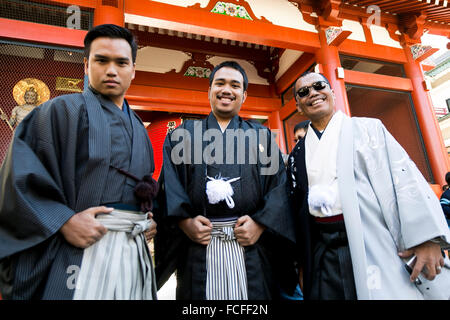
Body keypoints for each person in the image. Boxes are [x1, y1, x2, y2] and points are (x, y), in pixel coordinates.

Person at [0, 24, 158, 300]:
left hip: (129, 247)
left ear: (133, 69)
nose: (111, 70)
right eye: (101, 60)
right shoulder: (56, 113)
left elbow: (142, 186)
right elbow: (18, 181)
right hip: (75, 248)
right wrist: (63, 221)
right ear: (86, 65)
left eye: (121, 62)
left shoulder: (140, 130)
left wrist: (146, 217)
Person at [287, 71, 450, 300]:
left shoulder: (369, 129)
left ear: (332, 92)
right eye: (304, 92)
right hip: (322, 247)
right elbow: (296, 210)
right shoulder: (297, 154)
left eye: (319, 86)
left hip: (373, 235)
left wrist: (426, 238)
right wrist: (303, 263)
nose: (313, 93)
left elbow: (404, 179)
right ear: (299, 106)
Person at [154, 60, 297, 300]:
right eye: (219, 83)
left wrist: (260, 224)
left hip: (251, 243)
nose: (227, 90)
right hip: (198, 243)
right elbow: (169, 185)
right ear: (209, 91)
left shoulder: (261, 135)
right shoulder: (183, 135)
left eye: (235, 85)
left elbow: (279, 187)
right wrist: (184, 223)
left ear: (244, 95)